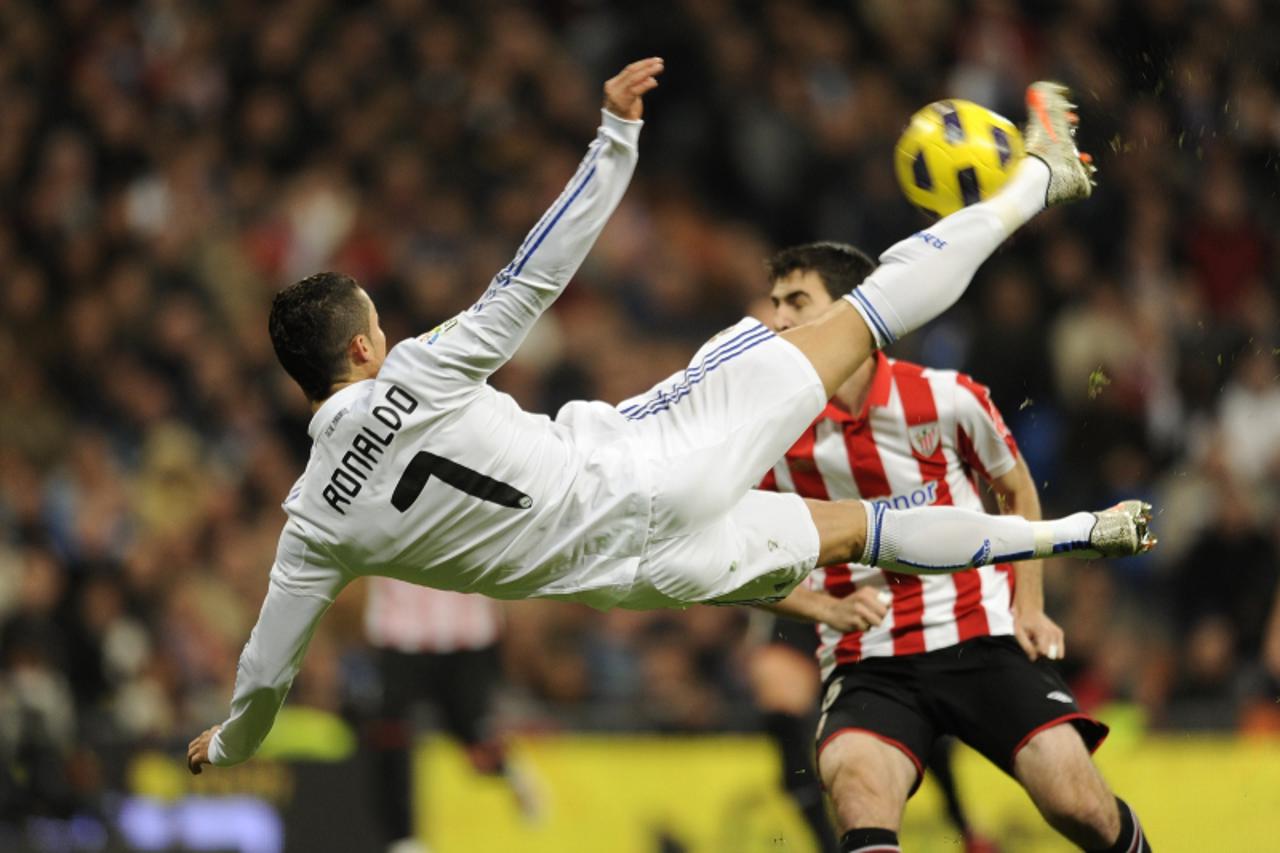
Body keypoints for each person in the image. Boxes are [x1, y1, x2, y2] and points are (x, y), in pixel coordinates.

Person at [187, 59, 1153, 774]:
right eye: (380, 326)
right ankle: (1041, 181)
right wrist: (613, 142)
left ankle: (1079, 534)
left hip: (645, 574)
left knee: (857, 531)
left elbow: (266, 677)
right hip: (652, 460)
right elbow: (533, 276)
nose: (390, 334)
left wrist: (227, 742)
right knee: (860, 316)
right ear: (361, 350)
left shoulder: (311, 526)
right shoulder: (419, 373)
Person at [758, 241, 1153, 853]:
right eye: (774, 302)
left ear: (852, 314)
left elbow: (1015, 487)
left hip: (981, 636)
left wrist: (1028, 604)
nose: (776, 318)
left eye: (796, 301)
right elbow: (741, 558)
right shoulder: (771, 436)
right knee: (857, 788)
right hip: (871, 662)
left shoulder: (945, 398)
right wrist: (822, 610)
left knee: (1078, 804)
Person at [362, 580, 538, 853]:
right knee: (391, 734)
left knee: (473, 739)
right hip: (400, 632)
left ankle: (506, 766)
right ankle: (402, 838)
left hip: (465, 637)